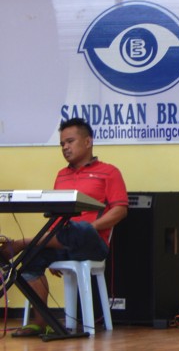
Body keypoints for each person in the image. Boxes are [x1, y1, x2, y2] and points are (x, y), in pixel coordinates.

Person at [1, 117, 128, 337]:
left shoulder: (109, 172)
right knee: (29, 260)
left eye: (70, 141)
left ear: (87, 142)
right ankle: (42, 322)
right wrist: (51, 245)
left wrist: (92, 226)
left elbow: (120, 210)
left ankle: (23, 242)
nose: (65, 148)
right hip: (62, 241)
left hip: (93, 243)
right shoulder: (62, 175)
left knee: (82, 228)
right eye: (62, 144)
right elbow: (58, 217)